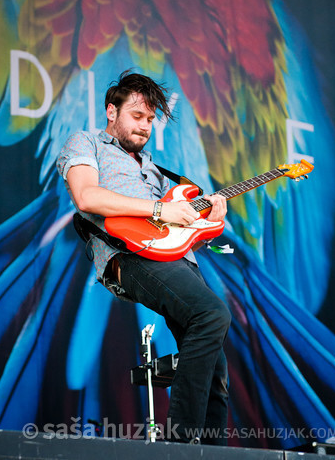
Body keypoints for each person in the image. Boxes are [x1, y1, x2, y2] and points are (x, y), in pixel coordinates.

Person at [57, 70, 231, 445]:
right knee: (211, 313)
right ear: (111, 111)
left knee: (214, 364)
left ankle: (217, 452)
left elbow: (178, 235)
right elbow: (86, 197)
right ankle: (179, 447)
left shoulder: (154, 167)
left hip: (175, 260)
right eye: (137, 116)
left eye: (151, 119)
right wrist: (158, 209)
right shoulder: (86, 142)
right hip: (128, 255)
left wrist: (210, 221)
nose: (146, 126)